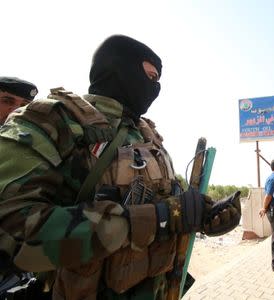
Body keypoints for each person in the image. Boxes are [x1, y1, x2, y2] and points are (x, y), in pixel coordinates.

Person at [0, 35, 241, 300]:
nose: (155, 87)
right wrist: (156, 219)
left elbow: (173, 203)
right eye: (149, 76)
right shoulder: (52, 121)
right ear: (119, 69)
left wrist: (202, 217)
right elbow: (14, 230)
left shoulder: (146, 133)